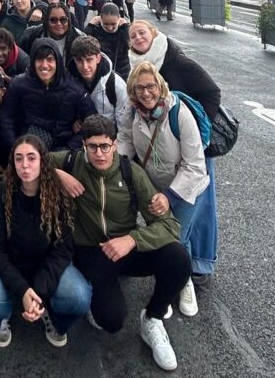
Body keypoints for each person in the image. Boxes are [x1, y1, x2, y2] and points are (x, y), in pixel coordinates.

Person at [54, 115, 190, 371]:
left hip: (127, 246)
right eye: (92, 146)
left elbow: (170, 226)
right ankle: (97, 294)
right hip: (92, 251)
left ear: (114, 145)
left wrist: (132, 240)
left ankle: (152, 318)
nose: (99, 153)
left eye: (105, 146)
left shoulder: (131, 172)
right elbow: (26, 157)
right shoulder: (71, 161)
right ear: (83, 146)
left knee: (179, 258)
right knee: (111, 321)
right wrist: (59, 174)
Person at [0, 135, 91, 349]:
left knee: (80, 296)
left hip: (46, 264)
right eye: (18, 158)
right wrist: (24, 290)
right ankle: (1, 318)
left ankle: (51, 316)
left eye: (31, 158)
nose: (24, 165)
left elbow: (63, 249)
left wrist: (40, 292)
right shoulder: (2, 190)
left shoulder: (58, 193)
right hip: (9, 262)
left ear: (43, 161)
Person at [127, 19, 220, 284]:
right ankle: (180, 271)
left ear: (153, 34)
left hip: (189, 147)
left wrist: (198, 134)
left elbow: (212, 93)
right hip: (159, 153)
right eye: (133, 36)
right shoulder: (133, 66)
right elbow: (126, 131)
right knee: (170, 223)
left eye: (142, 33)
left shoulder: (177, 60)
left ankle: (196, 268)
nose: (138, 38)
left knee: (193, 215)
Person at [118, 63, 209, 317]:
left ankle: (182, 281)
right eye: (140, 88)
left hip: (186, 187)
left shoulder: (179, 114)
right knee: (166, 237)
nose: (146, 93)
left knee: (176, 238)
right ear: (133, 91)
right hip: (154, 186)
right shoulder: (132, 111)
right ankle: (176, 279)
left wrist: (170, 197)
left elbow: (195, 165)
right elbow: (125, 139)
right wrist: (116, 167)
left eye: (151, 86)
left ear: (160, 87)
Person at [0, 38, 94, 152]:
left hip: (61, 150)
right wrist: (15, 146)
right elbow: (6, 117)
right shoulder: (18, 85)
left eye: (50, 59)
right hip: (25, 146)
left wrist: (68, 149)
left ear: (57, 61)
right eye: (39, 59)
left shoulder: (74, 89)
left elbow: (92, 123)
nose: (44, 65)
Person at [68, 35, 128, 128]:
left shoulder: (117, 85)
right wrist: (74, 120)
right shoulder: (68, 81)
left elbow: (123, 124)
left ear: (98, 58)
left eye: (89, 60)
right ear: (74, 60)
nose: (85, 66)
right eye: (79, 60)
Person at [86, 3, 131, 79]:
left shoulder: (124, 30)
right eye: (105, 24)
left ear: (119, 18)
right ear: (100, 19)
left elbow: (130, 45)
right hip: (102, 75)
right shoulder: (95, 30)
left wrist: (126, 27)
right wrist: (90, 25)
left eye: (113, 24)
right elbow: (85, 46)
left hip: (123, 74)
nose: (110, 28)